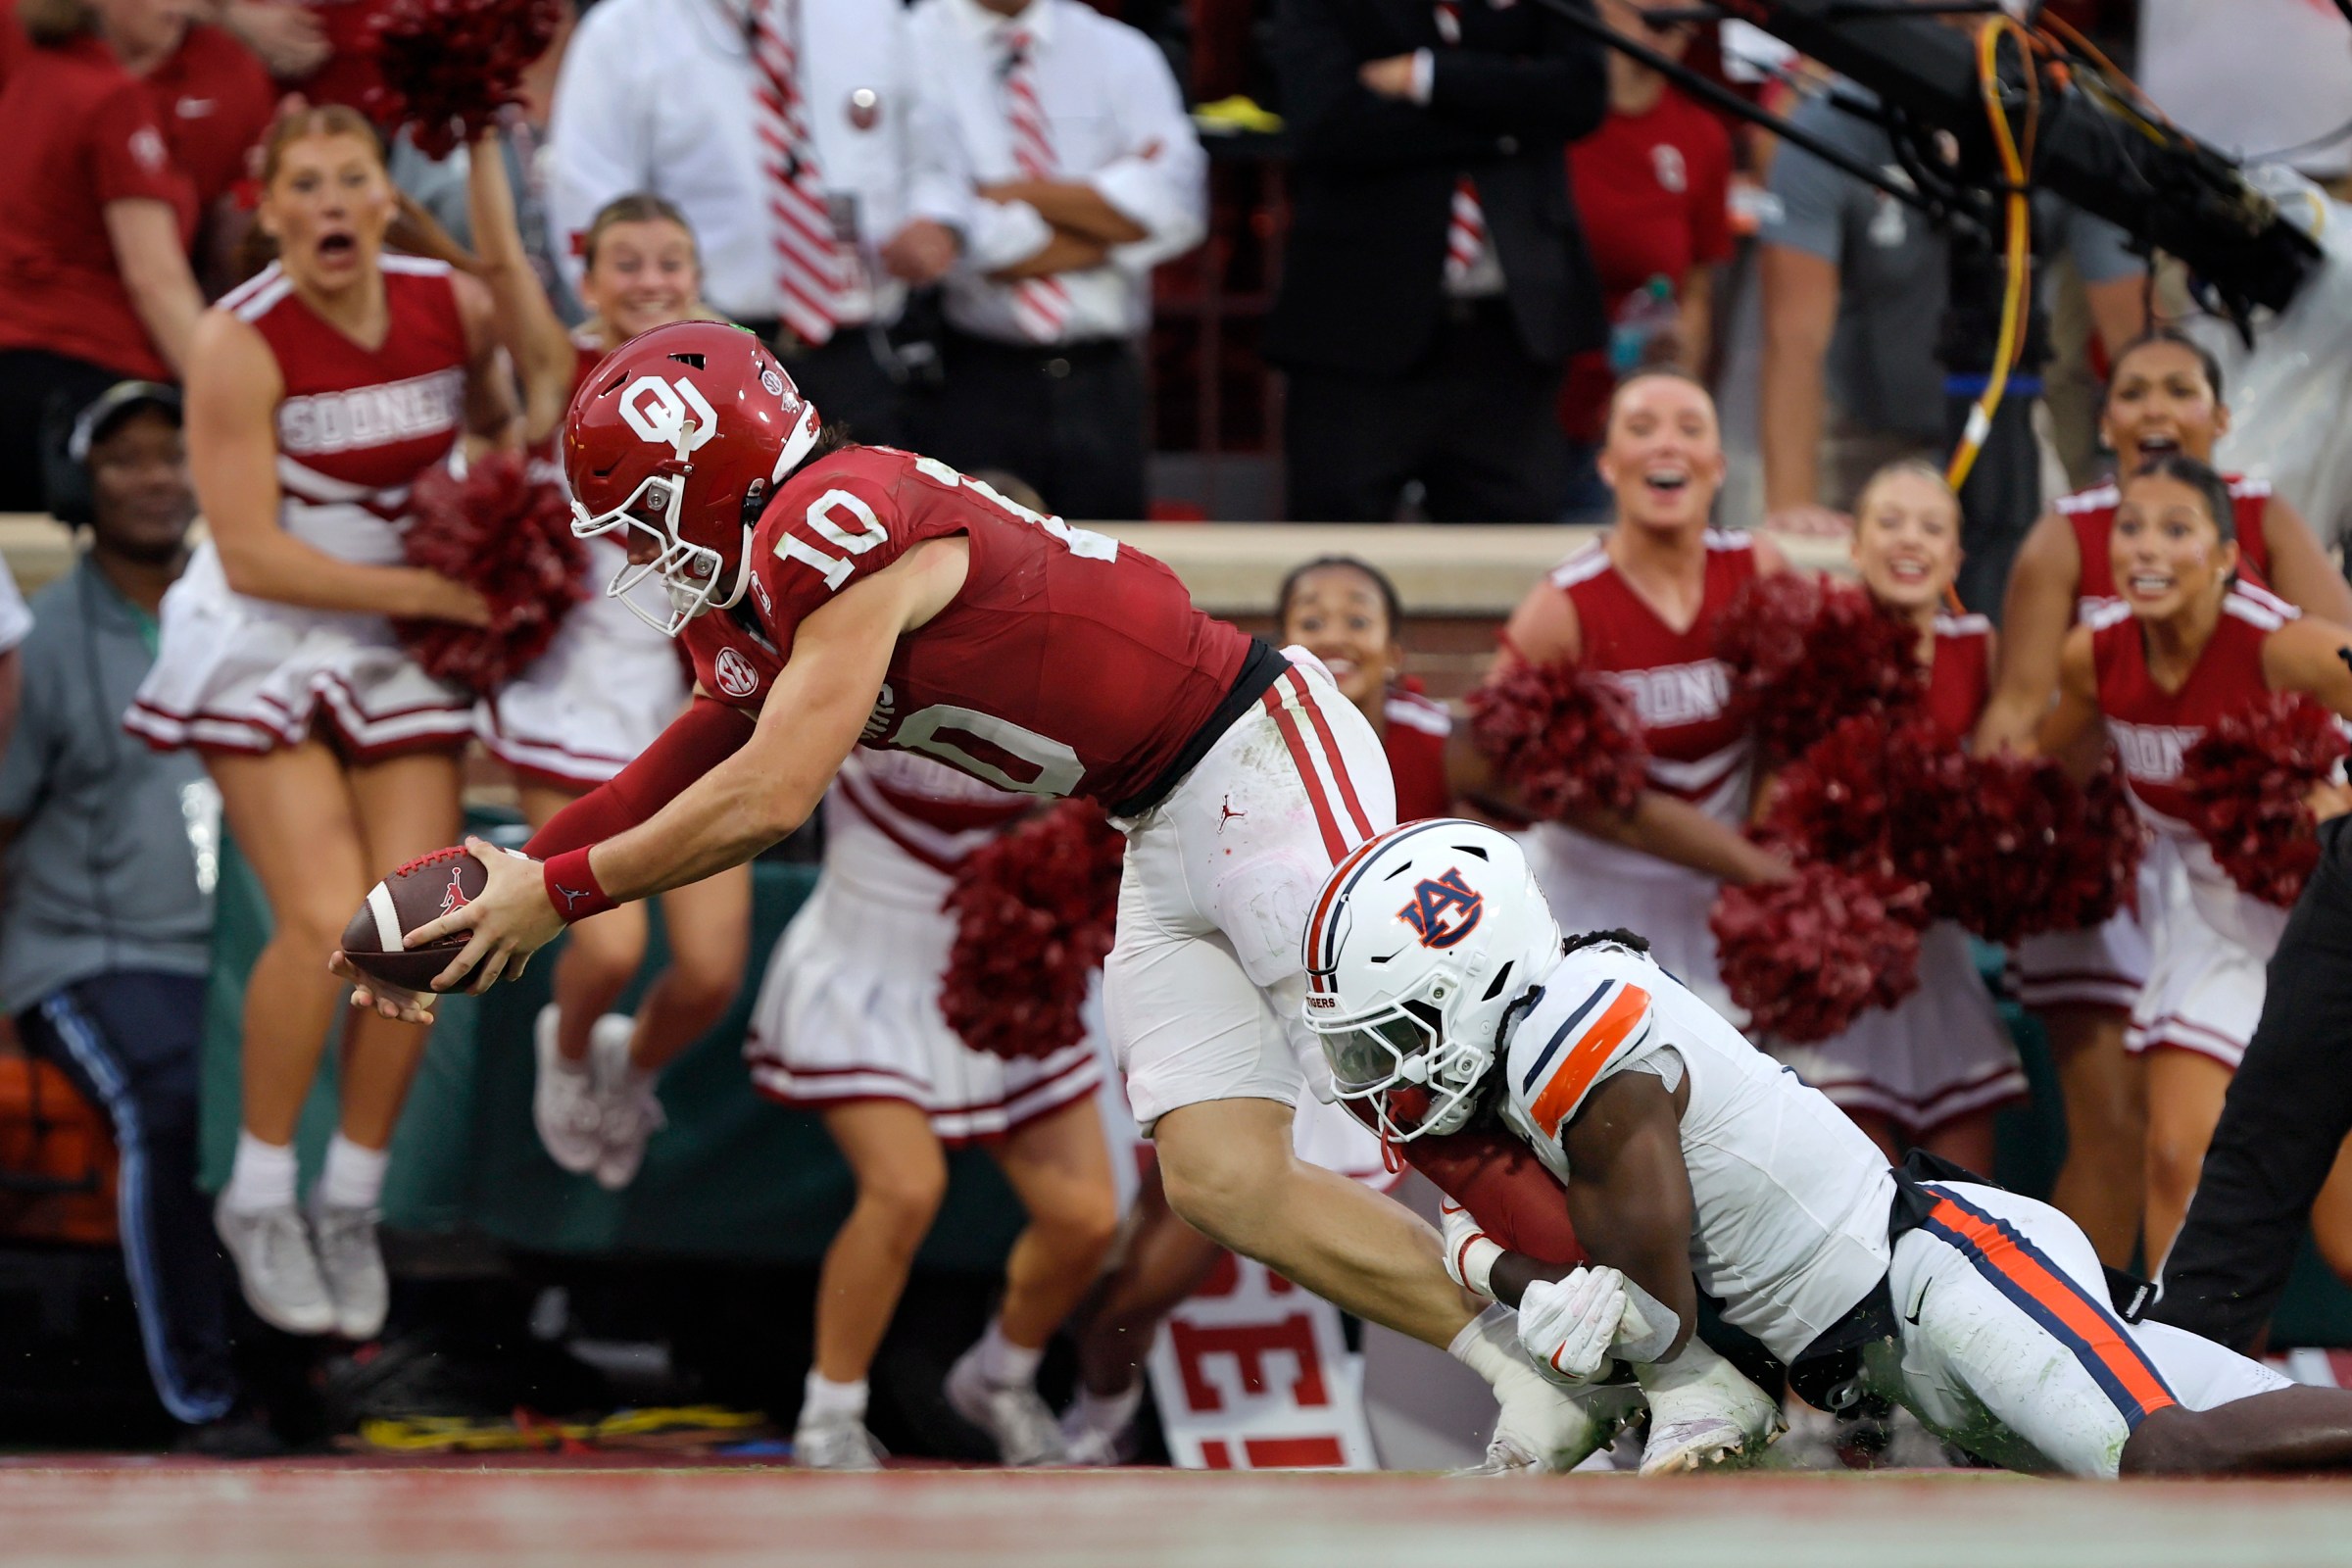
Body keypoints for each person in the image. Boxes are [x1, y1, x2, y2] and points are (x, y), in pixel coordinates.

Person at [339, 318, 1684, 1475]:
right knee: (1222, 1180)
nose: (637, 549)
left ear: (712, 472)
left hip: (1256, 751)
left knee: (1414, 1082)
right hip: (1161, 810)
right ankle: (1537, 1369)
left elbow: (766, 798)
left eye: (643, 511)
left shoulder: (829, 520)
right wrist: (508, 880)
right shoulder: (755, 587)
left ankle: (1687, 1363)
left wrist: (556, 898)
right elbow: (668, 773)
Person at [1306, 817, 2352, 1480]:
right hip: (1901, 1344)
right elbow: (1630, 1291)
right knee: (2233, 1417)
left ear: (1473, 979)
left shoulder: (1572, 1039)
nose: (1389, 1067)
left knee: (2168, 1453)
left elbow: (1655, 1308)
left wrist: (1506, 1272)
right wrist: (1506, 1271)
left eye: (1398, 1028)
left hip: (1936, 1276)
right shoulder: (1548, 1039)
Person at [122, 103, 504, 1341]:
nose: (333, 203)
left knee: (424, 923)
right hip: (271, 627)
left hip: (404, 632)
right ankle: (261, 1186)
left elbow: (518, 416)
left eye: (355, 181)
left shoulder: (453, 307)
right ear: (270, 207)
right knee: (315, 918)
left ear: (386, 201)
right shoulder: (238, 342)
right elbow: (251, 550)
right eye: (308, 186)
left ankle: (349, 1195)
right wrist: (434, 590)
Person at [1976, 328, 2352, 1267]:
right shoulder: (2095, 656)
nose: (2146, 549)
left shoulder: (2285, 646)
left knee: (2346, 1234)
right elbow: (2038, 769)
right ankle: (2194, 1405)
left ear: (2226, 555)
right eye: (2132, 531)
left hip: (2327, 922)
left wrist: (2340, 795)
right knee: (2180, 1162)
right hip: (2214, 929)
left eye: (2176, 532)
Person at [1057, 555, 1444, 1467]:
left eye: (1359, 614)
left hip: (1373, 1022)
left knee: (1478, 1190)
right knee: (1185, 1234)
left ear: (1396, 650)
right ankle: (1100, 1398)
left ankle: (1559, 1379)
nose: (1337, 631)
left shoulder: (1440, 742)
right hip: (1236, 1006)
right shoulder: (1233, 729)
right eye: (1312, 614)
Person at [460, 143, 755, 1192]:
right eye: (625, 263)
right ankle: (570, 1049)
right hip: (582, 679)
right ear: (587, 282)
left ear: (697, 275)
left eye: (669, 262)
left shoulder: (739, 377)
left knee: (714, 970)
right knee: (613, 950)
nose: (650, 282)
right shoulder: (561, 369)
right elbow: (500, 270)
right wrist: (476, 140)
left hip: (703, 693)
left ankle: (628, 1061)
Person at [0, 381, 253, 1447]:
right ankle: (201, 1394)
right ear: (81, 484)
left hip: (225, 951)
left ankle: (332, 1362)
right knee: (176, 1093)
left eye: (173, 455)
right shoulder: (48, 637)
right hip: (83, 950)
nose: (157, 480)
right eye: (126, 460)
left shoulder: (241, 615)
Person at [743, 748, 1116, 1468]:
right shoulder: (861, 650)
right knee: (905, 1188)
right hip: (867, 970)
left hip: (1005, 967)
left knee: (1085, 1217)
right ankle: (830, 1412)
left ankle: (1000, 1379)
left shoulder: (1047, 667)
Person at [1757, 46, 2145, 597]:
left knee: (2043, 591)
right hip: (1865, 427)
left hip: (2008, 415)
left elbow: (2134, 337)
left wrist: (2160, 497)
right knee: (1838, 605)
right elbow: (1793, 336)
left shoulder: (2068, 131)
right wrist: (1791, 504)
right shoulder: (1833, 125)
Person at [1488, 370, 1788, 1016]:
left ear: (1717, 464)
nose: (1666, 446)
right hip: (1592, 894)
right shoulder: (1563, 604)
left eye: (1689, 428)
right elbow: (1493, 762)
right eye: (1641, 428)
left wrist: (1765, 851)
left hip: (1723, 896)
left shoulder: (1759, 569)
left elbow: (1793, 728)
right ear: (1607, 466)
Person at [545, 0, 964, 446]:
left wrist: (936, 219)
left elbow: (937, 154)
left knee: (870, 508)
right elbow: (589, 201)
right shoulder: (623, 30)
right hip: (703, 358)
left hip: (859, 344)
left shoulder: (874, 15)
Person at [1767, 462, 2024, 1172]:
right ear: (1854, 545)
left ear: (1955, 557)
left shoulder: (1979, 644)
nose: (1910, 540)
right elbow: (1772, 796)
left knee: (1969, 1197)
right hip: (1839, 952)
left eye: (1932, 527)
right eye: (1890, 522)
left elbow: (2002, 780)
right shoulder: (1816, 637)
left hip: (1935, 951)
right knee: (1861, 1191)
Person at [1265, 0, 1608, 523]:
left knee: (1508, 562)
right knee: (1337, 552)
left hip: (1511, 334)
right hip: (1357, 334)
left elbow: (1579, 93)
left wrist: (1427, 76)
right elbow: (1325, 117)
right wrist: (1506, 122)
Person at [906, 0, 1206, 520]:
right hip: (973, 375)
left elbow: (1176, 207)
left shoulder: (1121, 51)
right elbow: (942, 239)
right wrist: (1112, 218)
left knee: (1110, 577)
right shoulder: (908, 45)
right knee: (974, 573)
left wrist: (1004, 194)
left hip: (1103, 379)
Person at [0, 0, 269, 510]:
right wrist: (237, 410)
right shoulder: (111, 98)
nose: (179, 6)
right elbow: (155, 281)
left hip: (23, 376)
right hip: (84, 384)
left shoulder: (38, 77)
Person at [1556, 0, 1732, 519]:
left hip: (1630, 417)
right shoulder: (1550, 117)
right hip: (1534, 407)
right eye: (1648, 11)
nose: (1667, 22)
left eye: (1683, 14)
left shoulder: (1701, 136)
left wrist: (1676, 392)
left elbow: (1697, 285)